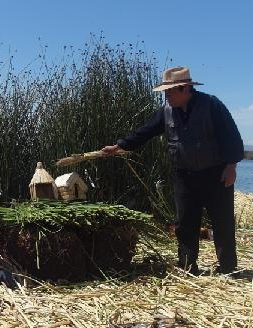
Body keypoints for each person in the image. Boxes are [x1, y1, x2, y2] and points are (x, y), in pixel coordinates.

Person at [101, 66, 244, 276]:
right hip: (183, 176)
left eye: (170, 91)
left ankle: (229, 268)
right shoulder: (166, 112)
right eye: (165, 92)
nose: (167, 96)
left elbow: (232, 136)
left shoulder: (212, 105)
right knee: (185, 223)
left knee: (222, 223)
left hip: (216, 174)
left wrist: (231, 166)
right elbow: (145, 132)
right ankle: (188, 267)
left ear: (186, 89)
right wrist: (120, 145)